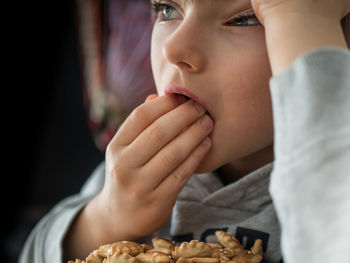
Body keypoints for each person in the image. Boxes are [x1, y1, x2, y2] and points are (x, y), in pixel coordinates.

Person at [20, 0, 350, 262]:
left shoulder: (334, 193)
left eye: (242, 19)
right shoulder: (143, 168)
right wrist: (105, 218)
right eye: (167, 9)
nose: (173, 48)